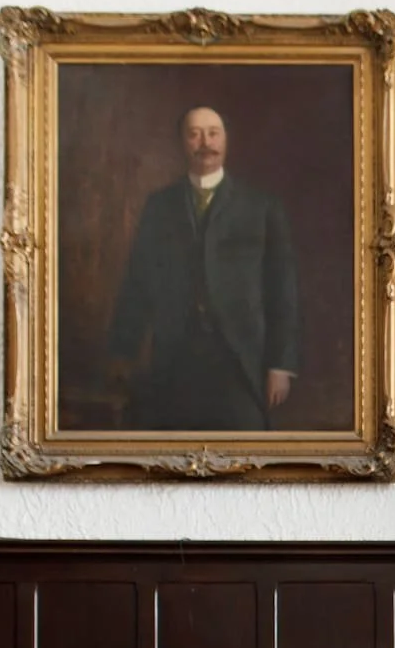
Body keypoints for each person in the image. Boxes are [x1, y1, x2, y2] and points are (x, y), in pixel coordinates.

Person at [104, 105, 300, 431]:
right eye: (194, 134)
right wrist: (123, 350)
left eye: (213, 133)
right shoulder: (160, 205)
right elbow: (137, 281)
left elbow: (282, 290)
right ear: (182, 143)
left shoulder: (261, 207)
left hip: (241, 360)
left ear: (226, 140)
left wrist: (280, 364)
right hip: (175, 358)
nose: (204, 143)